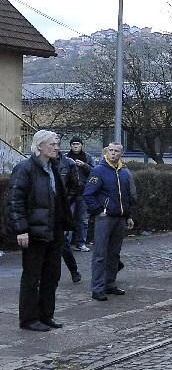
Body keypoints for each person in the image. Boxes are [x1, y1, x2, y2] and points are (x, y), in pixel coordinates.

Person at [8, 130, 74, 331]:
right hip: (35, 232)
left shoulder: (53, 167)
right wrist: (21, 229)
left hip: (53, 231)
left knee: (52, 275)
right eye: (52, 144)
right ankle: (28, 319)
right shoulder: (25, 169)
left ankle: (46, 315)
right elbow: (15, 201)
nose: (56, 147)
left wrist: (64, 225)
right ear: (40, 147)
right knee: (32, 277)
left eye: (57, 144)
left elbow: (59, 200)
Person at [83, 142, 135, 301]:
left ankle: (110, 284)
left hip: (120, 218)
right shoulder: (98, 171)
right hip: (105, 219)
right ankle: (97, 288)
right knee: (100, 254)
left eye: (116, 151)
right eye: (111, 150)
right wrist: (99, 210)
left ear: (121, 153)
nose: (113, 153)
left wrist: (128, 216)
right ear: (107, 152)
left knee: (114, 253)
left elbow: (128, 197)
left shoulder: (124, 172)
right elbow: (88, 194)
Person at [56, 154, 83, 284]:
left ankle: (74, 271)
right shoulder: (39, 164)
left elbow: (75, 186)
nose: (54, 147)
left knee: (63, 243)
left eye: (56, 144)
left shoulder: (68, 163)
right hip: (45, 208)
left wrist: (65, 202)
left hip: (63, 207)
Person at [65, 136, 94, 251]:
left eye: (78, 144)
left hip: (83, 192)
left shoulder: (88, 157)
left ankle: (81, 243)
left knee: (83, 220)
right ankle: (66, 244)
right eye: (73, 144)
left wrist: (84, 165)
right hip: (70, 193)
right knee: (69, 218)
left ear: (82, 145)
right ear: (70, 146)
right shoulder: (66, 158)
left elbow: (95, 172)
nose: (76, 146)